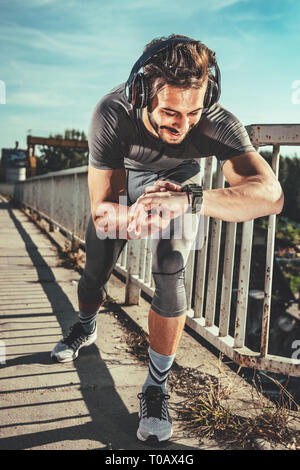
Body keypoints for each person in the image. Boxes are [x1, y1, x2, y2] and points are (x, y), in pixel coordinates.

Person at [51, 34, 284, 443]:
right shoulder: (112, 112)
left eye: (193, 112)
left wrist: (191, 200)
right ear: (141, 93)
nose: (184, 124)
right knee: (94, 273)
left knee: (170, 271)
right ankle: (85, 325)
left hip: (179, 184)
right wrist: (131, 218)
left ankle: (155, 387)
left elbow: (270, 194)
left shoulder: (213, 119)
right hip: (124, 182)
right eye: (171, 112)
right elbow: (103, 205)